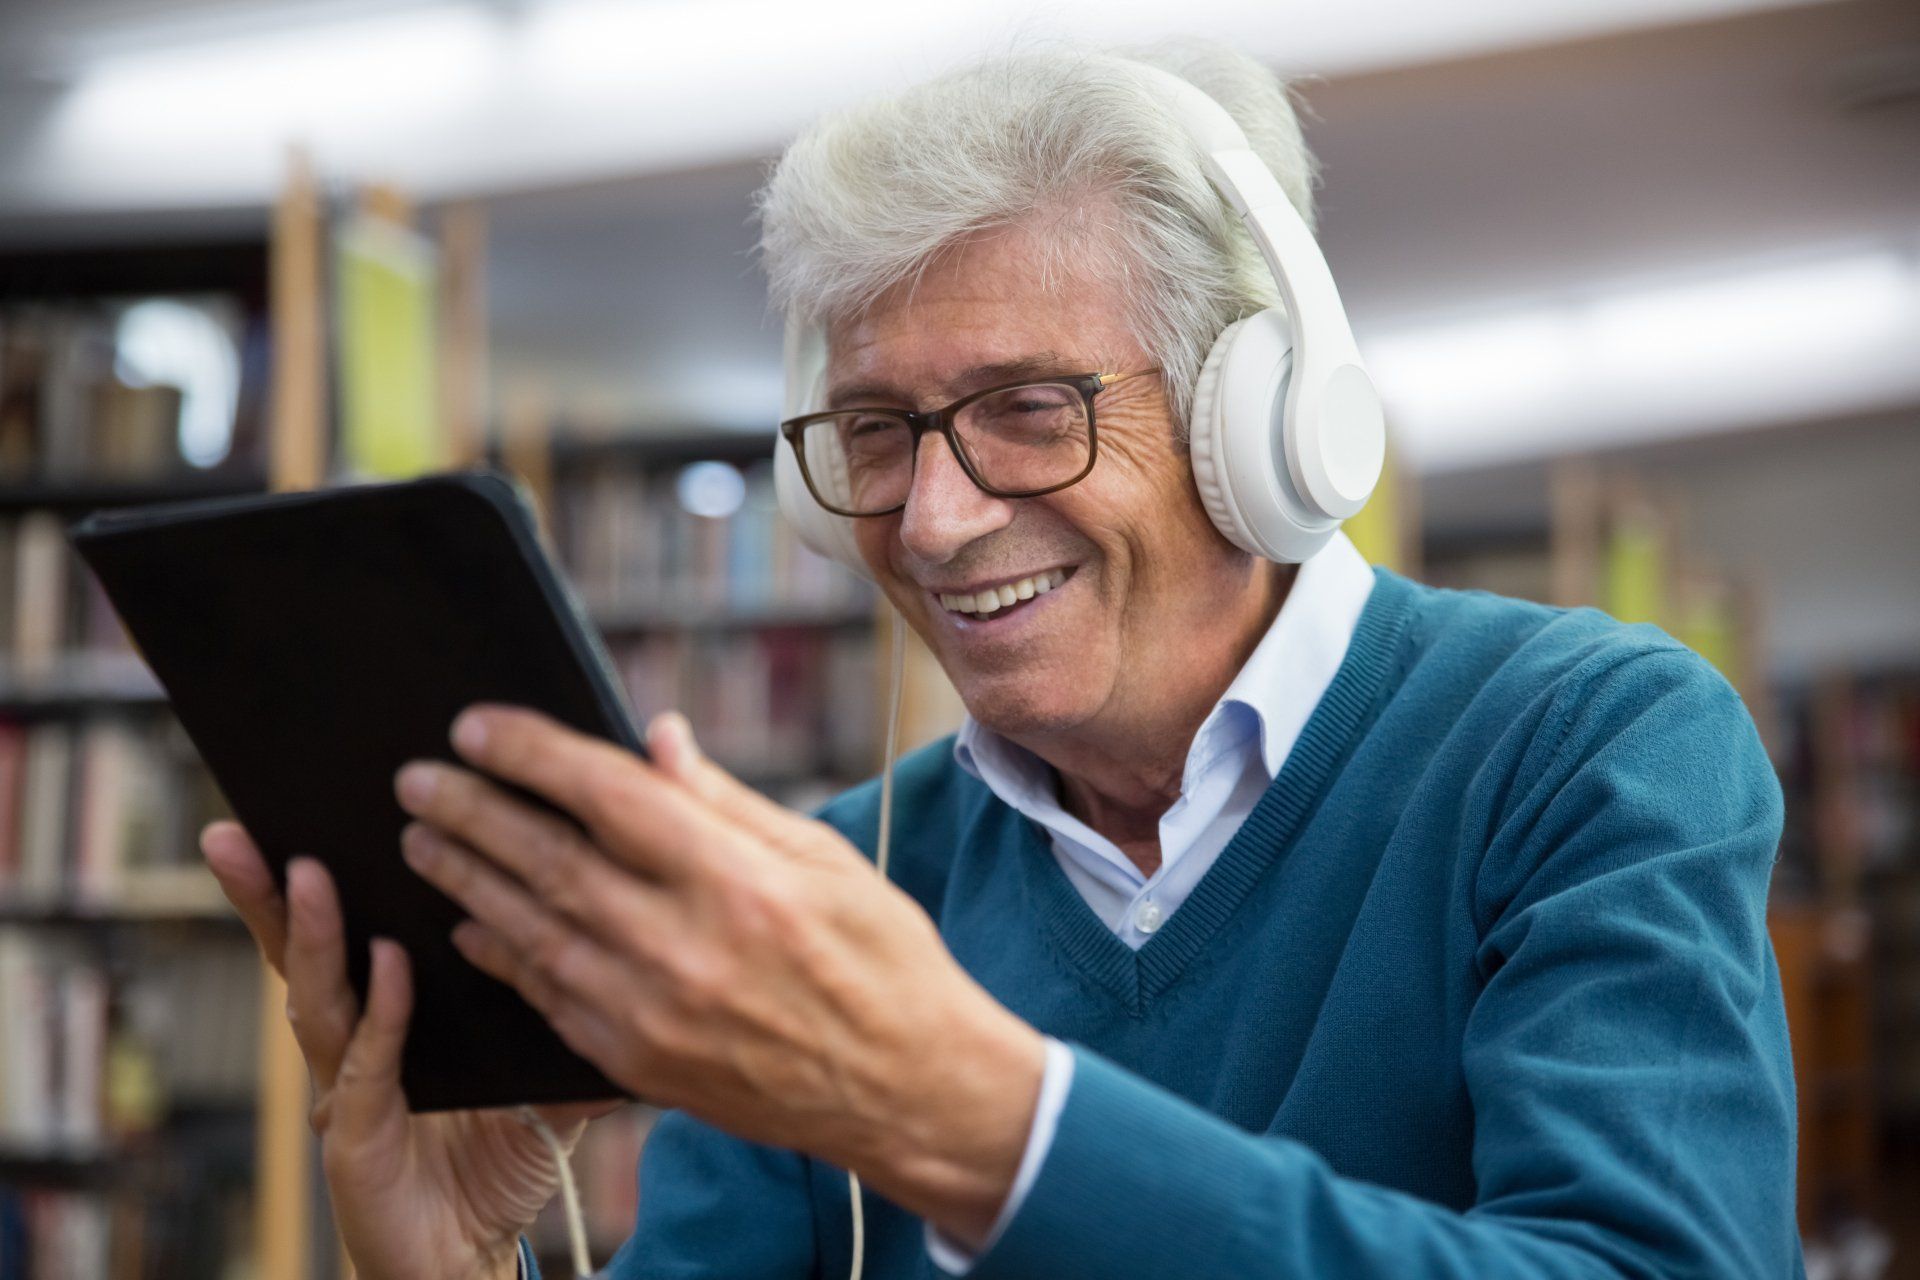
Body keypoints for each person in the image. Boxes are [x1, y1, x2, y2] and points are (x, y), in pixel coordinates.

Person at [199, 39, 1801, 1280]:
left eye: (1031, 410)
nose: (938, 520)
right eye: (880, 432)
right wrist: (468, 1262)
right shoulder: (839, 884)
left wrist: (968, 1112)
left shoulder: (1588, 746)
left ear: (1265, 419)